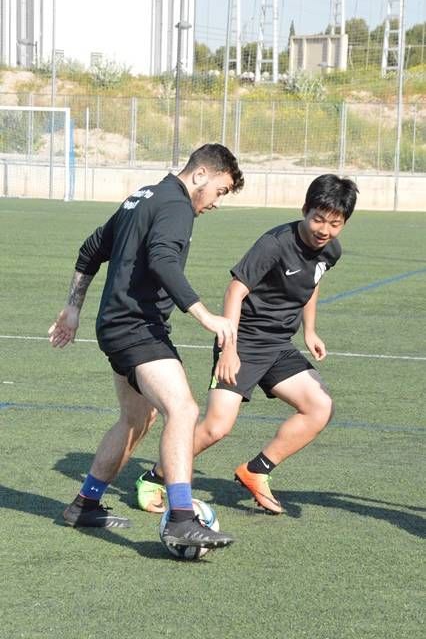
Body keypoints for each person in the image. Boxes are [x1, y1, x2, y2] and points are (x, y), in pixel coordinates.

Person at [48, 143, 244, 550]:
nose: (216, 203)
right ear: (201, 175)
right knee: (184, 409)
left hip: (117, 324)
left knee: (137, 420)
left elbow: (91, 249)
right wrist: (205, 315)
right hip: (136, 328)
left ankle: (85, 502)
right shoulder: (177, 205)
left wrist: (71, 309)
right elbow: (163, 261)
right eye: (220, 191)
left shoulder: (144, 195)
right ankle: (182, 519)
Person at [135, 173, 358, 515]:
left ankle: (256, 471)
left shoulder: (331, 250)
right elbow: (236, 291)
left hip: (278, 345)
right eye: (317, 219)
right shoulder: (274, 244)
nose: (324, 230)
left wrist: (310, 331)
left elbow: (313, 283)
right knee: (216, 427)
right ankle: (154, 477)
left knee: (319, 407)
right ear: (304, 210)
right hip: (245, 340)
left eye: (334, 223)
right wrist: (229, 349)